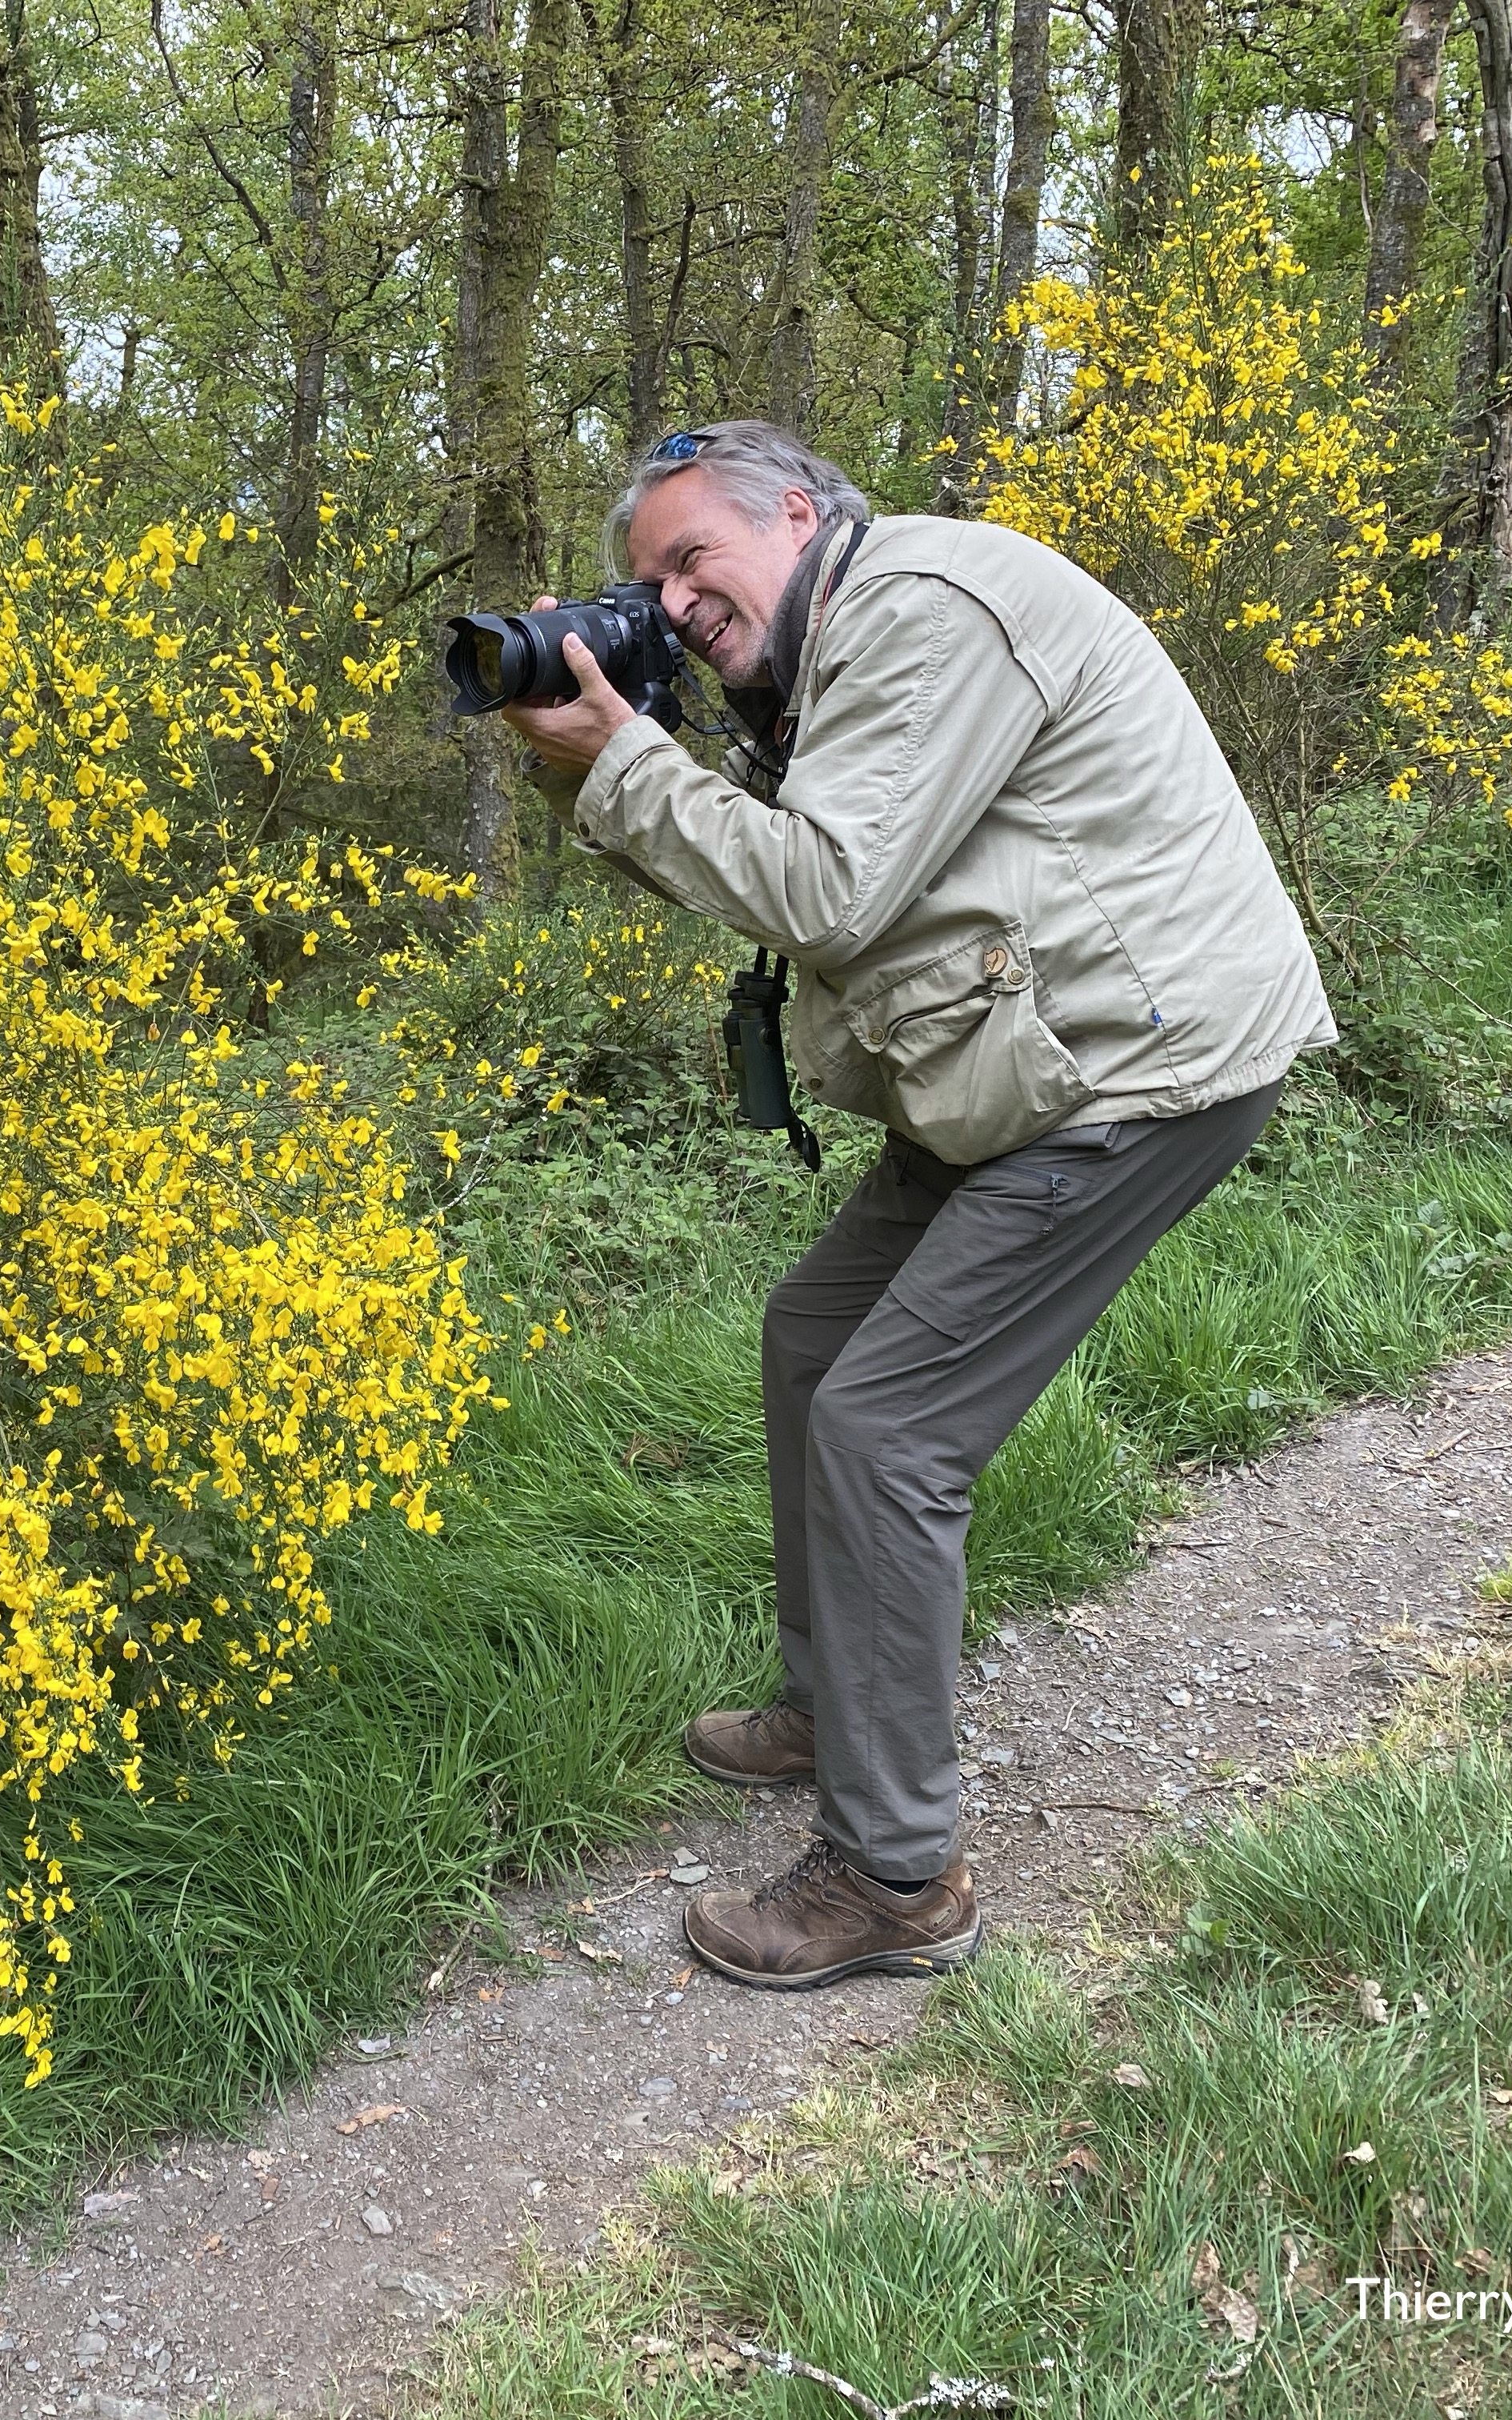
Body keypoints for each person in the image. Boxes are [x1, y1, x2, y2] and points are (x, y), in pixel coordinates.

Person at [503, 421, 1336, 1989]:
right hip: (1017, 1060)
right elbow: (766, 874)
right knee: (817, 1338)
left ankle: (895, 1875)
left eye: (694, 559)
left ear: (800, 513)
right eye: (647, 579)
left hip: (1131, 1071)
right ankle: (838, 1706)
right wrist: (599, 758)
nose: (672, 599)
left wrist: (627, 759)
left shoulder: (923, 610)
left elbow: (825, 889)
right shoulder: (822, 658)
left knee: (888, 1429)